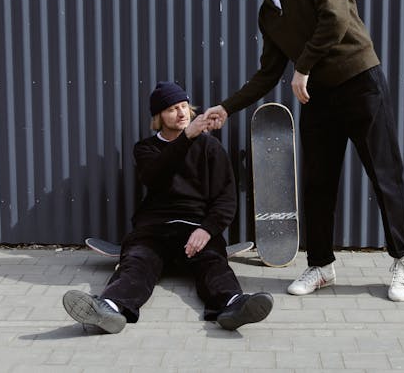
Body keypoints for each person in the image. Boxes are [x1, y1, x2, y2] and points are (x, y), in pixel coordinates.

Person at [205, 0, 404, 302]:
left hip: (359, 81)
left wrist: (302, 67)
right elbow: (268, 74)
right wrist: (226, 107)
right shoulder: (267, 16)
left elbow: (335, 17)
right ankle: (321, 265)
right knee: (317, 182)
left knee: (384, 174)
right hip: (318, 96)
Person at [62, 81, 273, 333]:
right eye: (172, 108)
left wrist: (207, 229)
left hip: (196, 228)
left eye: (184, 106)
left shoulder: (210, 147)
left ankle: (234, 306)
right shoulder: (146, 148)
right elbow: (155, 175)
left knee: (213, 264)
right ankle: (108, 308)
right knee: (136, 264)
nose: (182, 113)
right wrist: (186, 137)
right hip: (154, 229)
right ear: (159, 116)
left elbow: (225, 198)